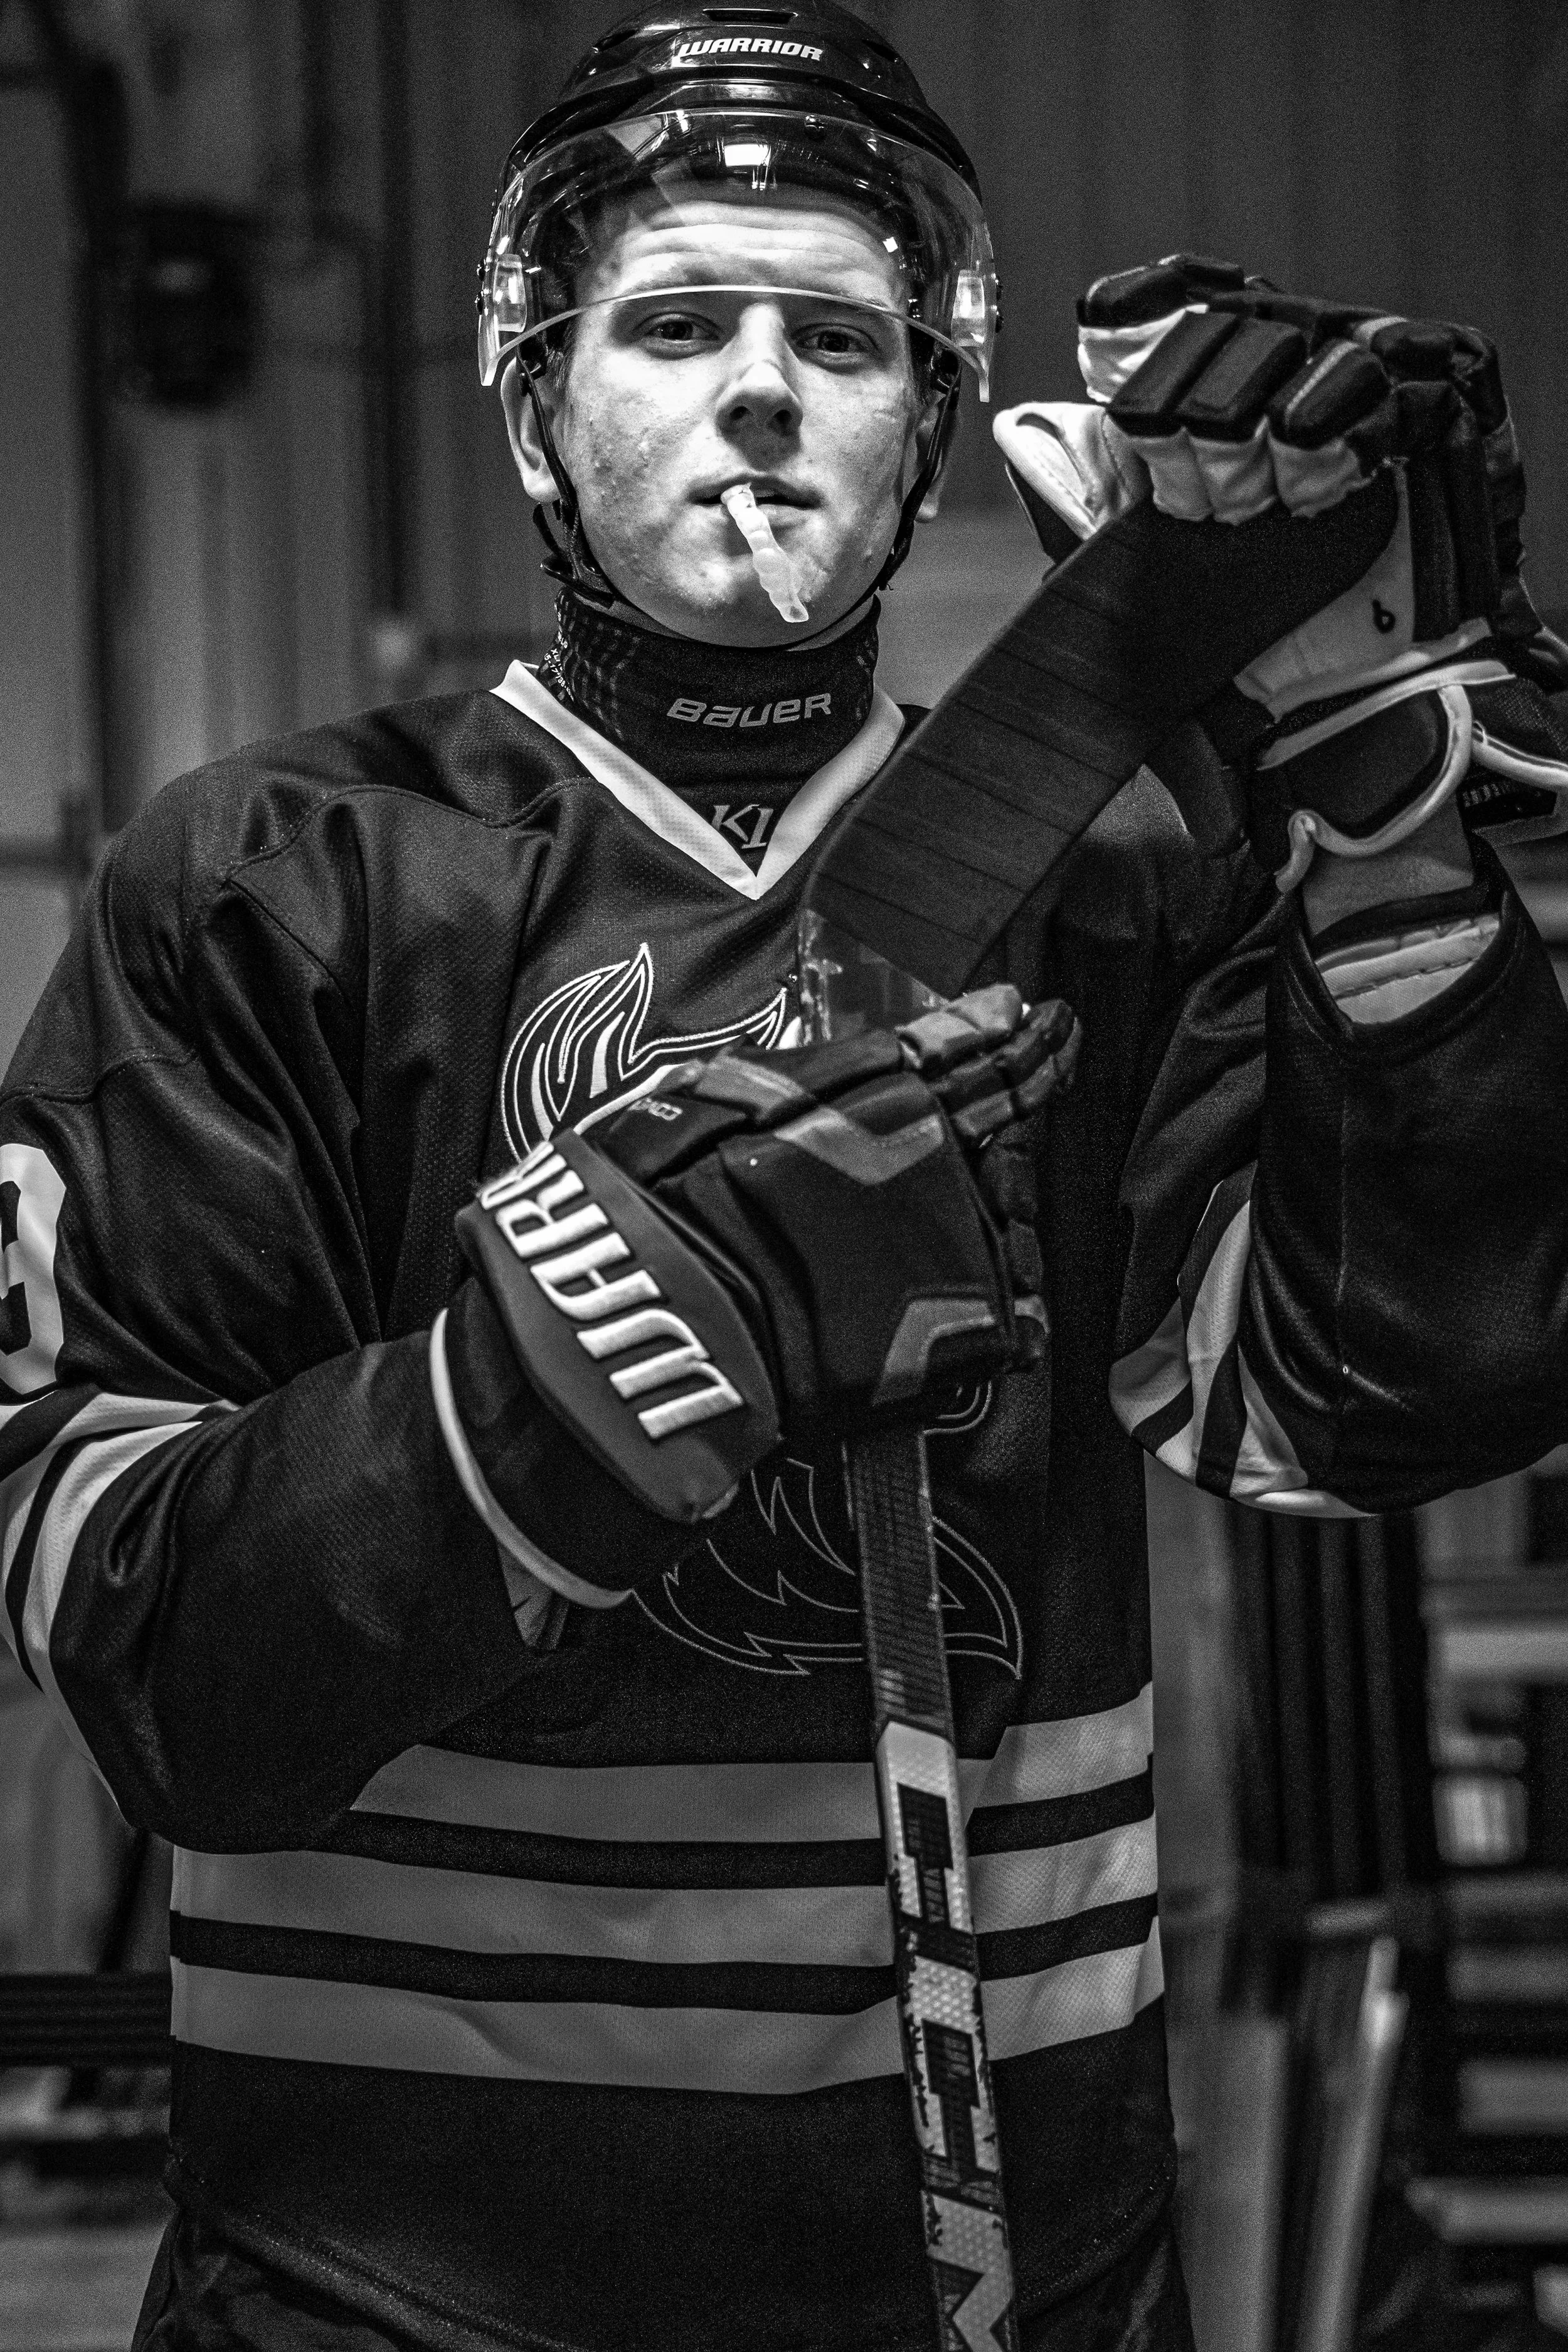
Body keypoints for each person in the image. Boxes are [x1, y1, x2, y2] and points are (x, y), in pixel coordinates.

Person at [3, 7, 1567, 2348]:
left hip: (1025, 2279)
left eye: (840, 341)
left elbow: (1377, 1401)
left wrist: (1383, 827)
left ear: (927, 419)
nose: (761, 390)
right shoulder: (272, 881)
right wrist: (594, 1350)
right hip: (390, 2282)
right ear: (534, 406)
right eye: (674, 327)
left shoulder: (1118, 863)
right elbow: (151, 1659)